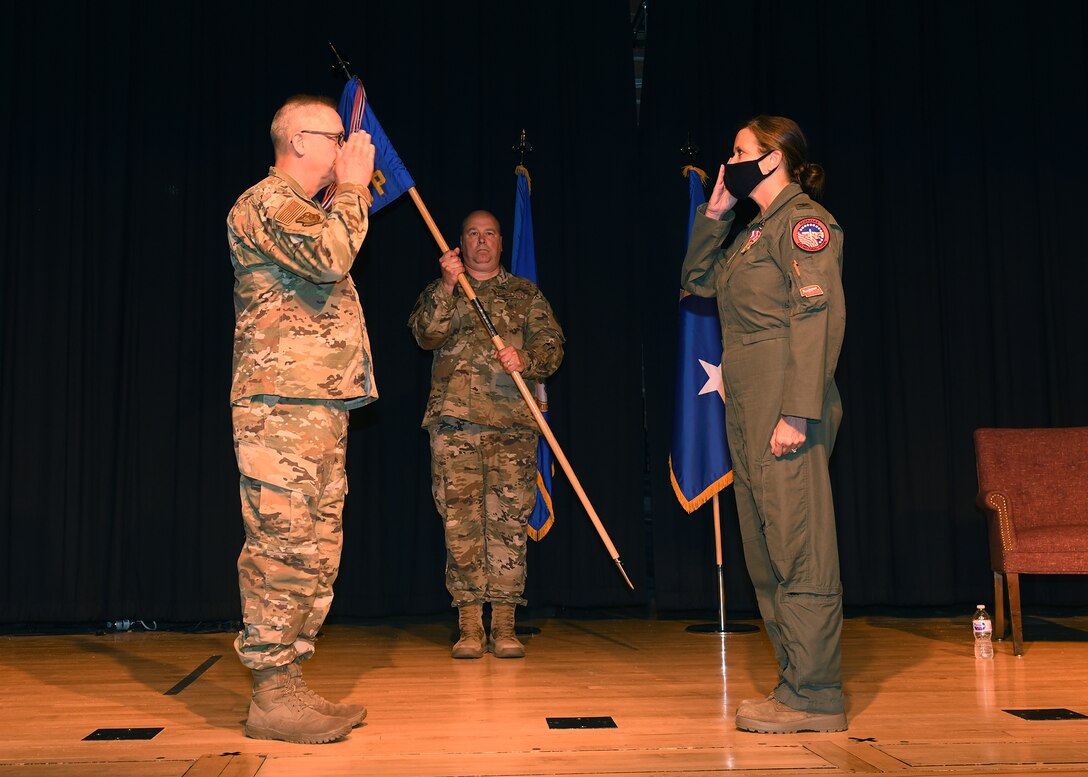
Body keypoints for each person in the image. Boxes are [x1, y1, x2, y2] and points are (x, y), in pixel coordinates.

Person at [681, 116, 847, 734]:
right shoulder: (755, 232)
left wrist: (798, 412)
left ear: (774, 159)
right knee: (767, 552)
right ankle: (794, 685)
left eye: (741, 152)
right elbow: (697, 282)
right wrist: (715, 214)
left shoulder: (806, 226)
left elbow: (818, 321)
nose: (732, 161)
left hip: (785, 401)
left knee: (799, 549)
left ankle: (817, 693)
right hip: (749, 406)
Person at [226, 94, 377, 744]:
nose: (348, 148)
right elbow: (330, 256)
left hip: (316, 405)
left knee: (317, 549)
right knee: (282, 546)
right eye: (337, 137)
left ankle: (288, 680)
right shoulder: (267, 202)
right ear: (299, 142)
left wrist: (345, 191)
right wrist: (352, 190)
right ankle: (269, 691)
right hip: (280, 407)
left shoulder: (303, 208)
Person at [409, 210, 564, 659]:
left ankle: (505, 625)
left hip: (512, 427)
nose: (481, 242)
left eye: (489, 234)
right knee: (460, 525)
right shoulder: (445, 291)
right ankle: (469, 626)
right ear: (459, 243)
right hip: (455, 424)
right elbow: (424, 334)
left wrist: (526, 359)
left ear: (500, 242)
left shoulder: (523, 293)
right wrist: (445, 286)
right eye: (472, 234)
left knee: (508, 524)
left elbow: (552, 346)